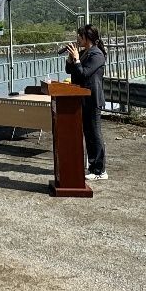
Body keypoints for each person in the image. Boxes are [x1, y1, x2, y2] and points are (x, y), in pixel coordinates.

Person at [65, 24, 108, 181]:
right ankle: (92, 167)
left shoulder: (97, 54)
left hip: (92, 98)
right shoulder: (84, 53)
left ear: (87, 38)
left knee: (95, 134)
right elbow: (71, 71)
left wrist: (77, 59)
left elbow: (84, 74)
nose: (77, 39)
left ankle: (100, 170)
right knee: (88, 134)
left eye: (80, 36)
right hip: (82, 98)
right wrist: (71, 59)